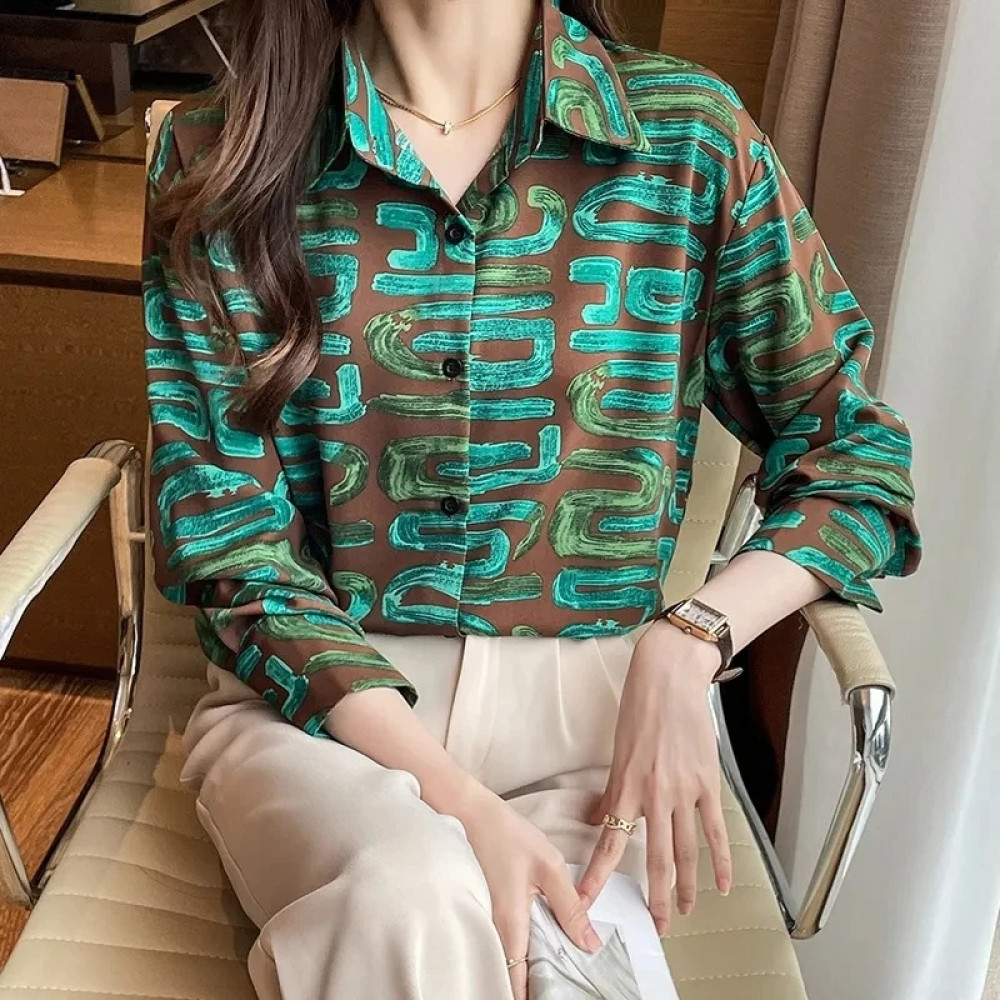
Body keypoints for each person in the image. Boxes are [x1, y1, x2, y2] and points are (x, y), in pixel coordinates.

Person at [141, 0, 921, 997]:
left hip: (591, 738)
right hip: (323, 721)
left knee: (568, 970)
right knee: (410, 898)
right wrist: (458, 803)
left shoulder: (687, 141)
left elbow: (857, 456)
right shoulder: (223, 152)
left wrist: (693, 637)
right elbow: (231, 543)